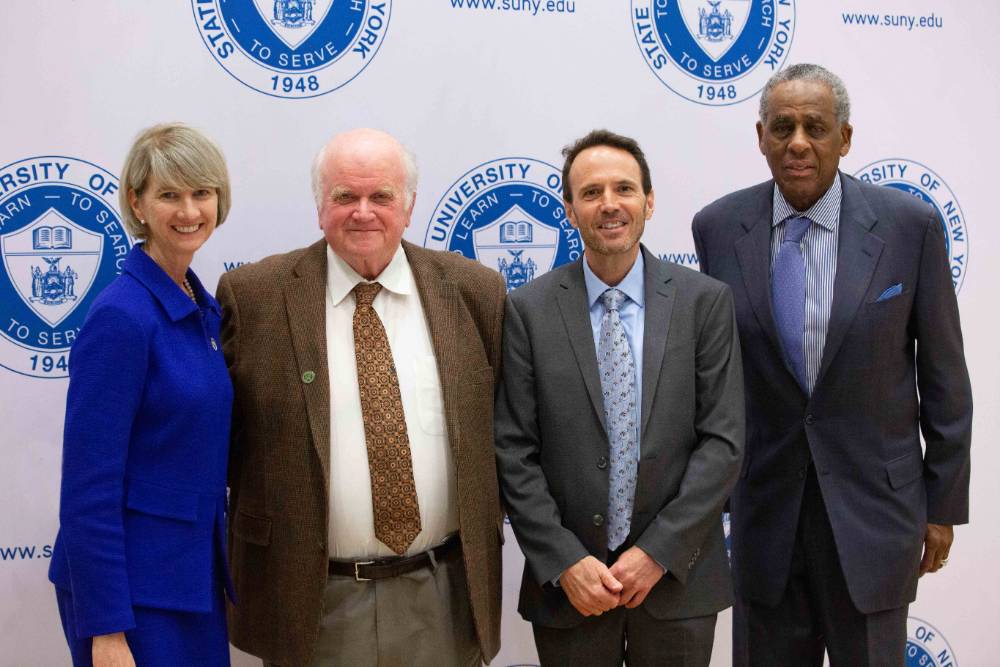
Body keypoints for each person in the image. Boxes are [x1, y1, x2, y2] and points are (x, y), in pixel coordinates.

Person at [692, 64, 973, 666]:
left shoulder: (908, 227)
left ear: (845, 139)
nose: (798, 141)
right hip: (766, 516)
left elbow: (945, 377)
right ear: (761, 134)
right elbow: (713, 375)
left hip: (877, 516)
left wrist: (943, 506)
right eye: (783, 126)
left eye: (815, 127)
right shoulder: (716, 228)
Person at [218, 128, 505, 666]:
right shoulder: (254, 297)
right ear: (319, 206)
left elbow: (505, 433)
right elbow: (224, 445)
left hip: (444, 595)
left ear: (410, 205)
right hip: (312, 601)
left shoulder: (474, 291)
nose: (363, 212)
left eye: (382, 196)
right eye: (345, 196)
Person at [495, 129, 744, 666]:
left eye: (624, 189)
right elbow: (513, 450)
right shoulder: (527, 311)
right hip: (570, 591)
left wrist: (657, 552)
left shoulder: (705, 303)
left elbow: (723, 443)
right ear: (569, 209)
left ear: (648, 202)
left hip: (678, 580)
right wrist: (564, 562)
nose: (609, 204)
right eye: (590, 193)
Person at [48, 123, 235, 666]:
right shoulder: (122, 316)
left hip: (188, 577)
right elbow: (88, 487)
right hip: (132, 596)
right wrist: (106, 630)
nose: (189, 210)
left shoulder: (197, 305)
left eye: (201, 193)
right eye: (169, 195)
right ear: (137, 202)